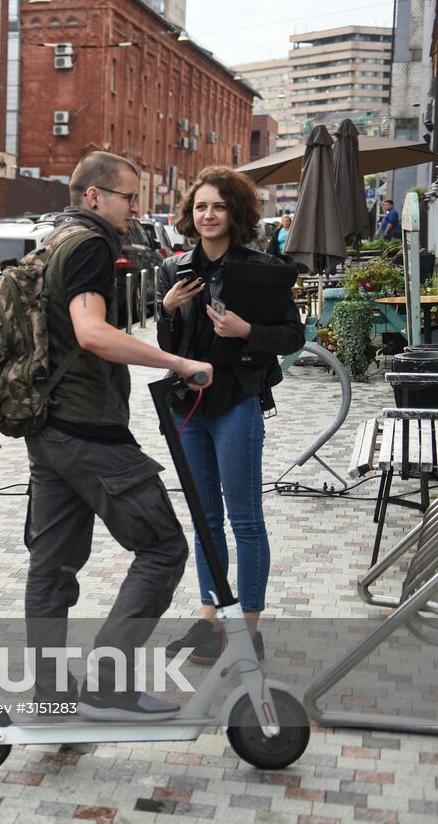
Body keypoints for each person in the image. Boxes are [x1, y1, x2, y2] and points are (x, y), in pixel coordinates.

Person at [23, 150, 213, 720]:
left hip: (47, 429)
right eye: (128, 196)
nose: (136, 207)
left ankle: (53, 698)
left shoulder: (53, 238)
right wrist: (176, 363)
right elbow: (93, 334)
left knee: (51, 568)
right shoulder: (90, 245)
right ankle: (108, 681)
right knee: (163, 547)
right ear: (93, 196)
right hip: (89, 432)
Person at [157, 167, 304, 665]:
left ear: (235, 212)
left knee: (245, 519)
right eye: (201, 206)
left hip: (236, 403)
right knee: (205, 520)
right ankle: (209, 623)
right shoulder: (175, 269)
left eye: (218, 206)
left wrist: (245, 331)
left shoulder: (262, 268)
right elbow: (167, 346)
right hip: (187, 407)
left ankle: (250, 631)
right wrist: (168, 311)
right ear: (189, 214)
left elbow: (291, 337)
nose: (208, 214)